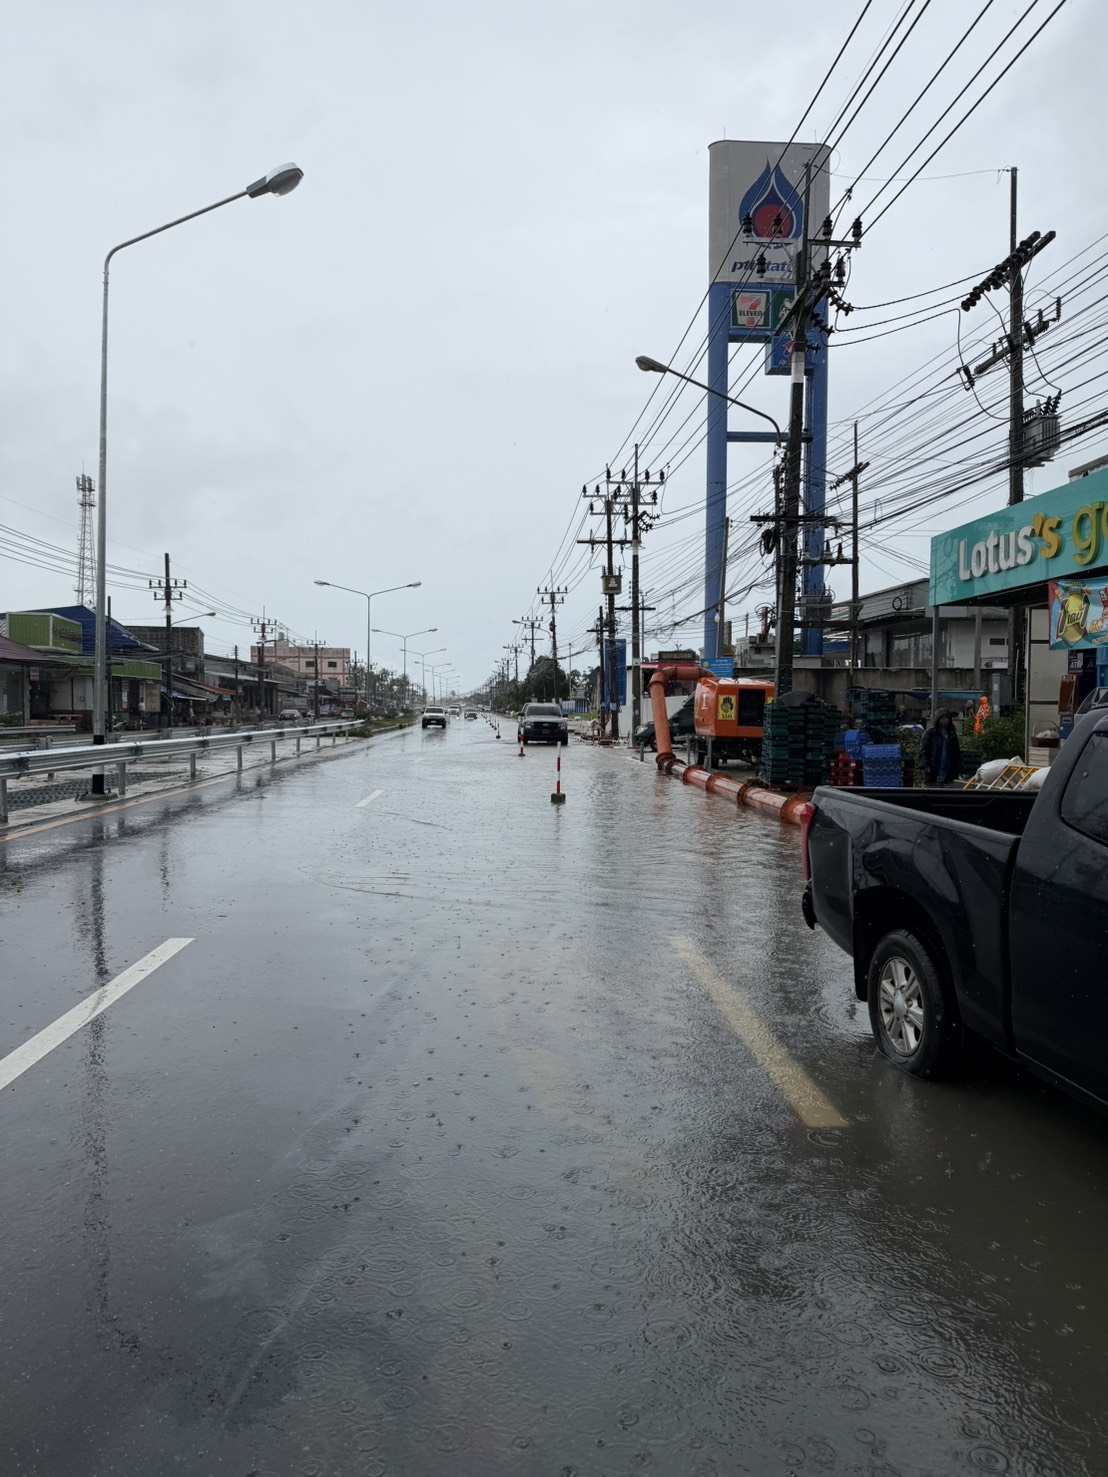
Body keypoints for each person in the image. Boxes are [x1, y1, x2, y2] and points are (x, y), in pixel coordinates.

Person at [922, 709, 961, 786]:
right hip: (933, 770)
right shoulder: (930, 734)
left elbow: (956, 753)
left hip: (948, 772)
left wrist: (958, 769)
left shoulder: (952, 735)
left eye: (947, 718)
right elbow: (924, 751)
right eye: (943, 718)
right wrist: (925, 766)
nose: (945, 720)